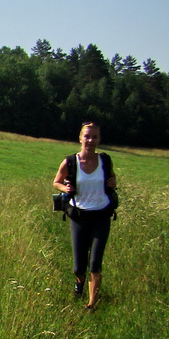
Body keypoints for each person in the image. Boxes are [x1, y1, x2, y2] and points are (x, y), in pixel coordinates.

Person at [53, 122, 118, 310]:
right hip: (79, 216)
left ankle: (91, 305)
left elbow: (111, 180)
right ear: (80, 138)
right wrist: (64, 187)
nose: (90, 140)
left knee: (95, 264)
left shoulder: (105, 161)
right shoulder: (70, 162)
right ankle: (80, 282)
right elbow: (56, 182)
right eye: (87, 136)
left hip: (101, 216)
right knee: (78, 267)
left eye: (94, 137)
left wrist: (113, 182)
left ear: (99, 139)